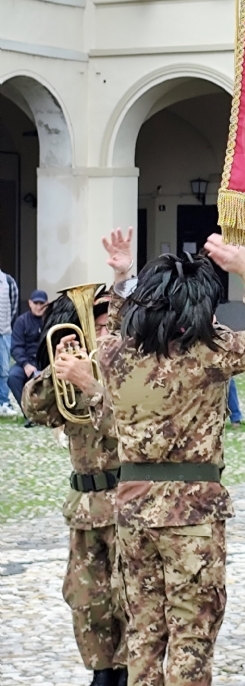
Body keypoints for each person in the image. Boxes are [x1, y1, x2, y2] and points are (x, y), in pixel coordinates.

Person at [96, 229, 245, 686]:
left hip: (133, 507)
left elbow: (124, 327)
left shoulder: (113, 354)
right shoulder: (212, 350)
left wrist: (124, 277)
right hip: (193, 512)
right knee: (192, 634)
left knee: (144, 630)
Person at [22, 286, 126, 686]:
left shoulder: (129, 371)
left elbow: (129, 428)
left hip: (125, 501)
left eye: (103, 325)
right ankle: (101, 670)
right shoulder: (75, 371)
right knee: (86, 598)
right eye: (92, 326)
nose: (97, 334)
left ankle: (128, 670)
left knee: (129, 595)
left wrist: (93, 386)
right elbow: (35, 408)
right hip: (84, 505)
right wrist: (58, 363)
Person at [8, 289, 47, 418]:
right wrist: (25, 365)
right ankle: (28, 413)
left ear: (47, 304)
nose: (39, 306)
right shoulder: (21, 321)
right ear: (30, 303)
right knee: (13, 376)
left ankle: (48, 414)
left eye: (42, 303)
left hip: (46, 362)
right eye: (36, 303)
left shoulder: (51, 320)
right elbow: (16, 347)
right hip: (27, 362)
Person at [0, 266, 19, 416]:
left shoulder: (8, 281)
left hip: (4, 333)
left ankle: (4, 403)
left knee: (4, 370)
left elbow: (14, 306)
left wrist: (5, 324)